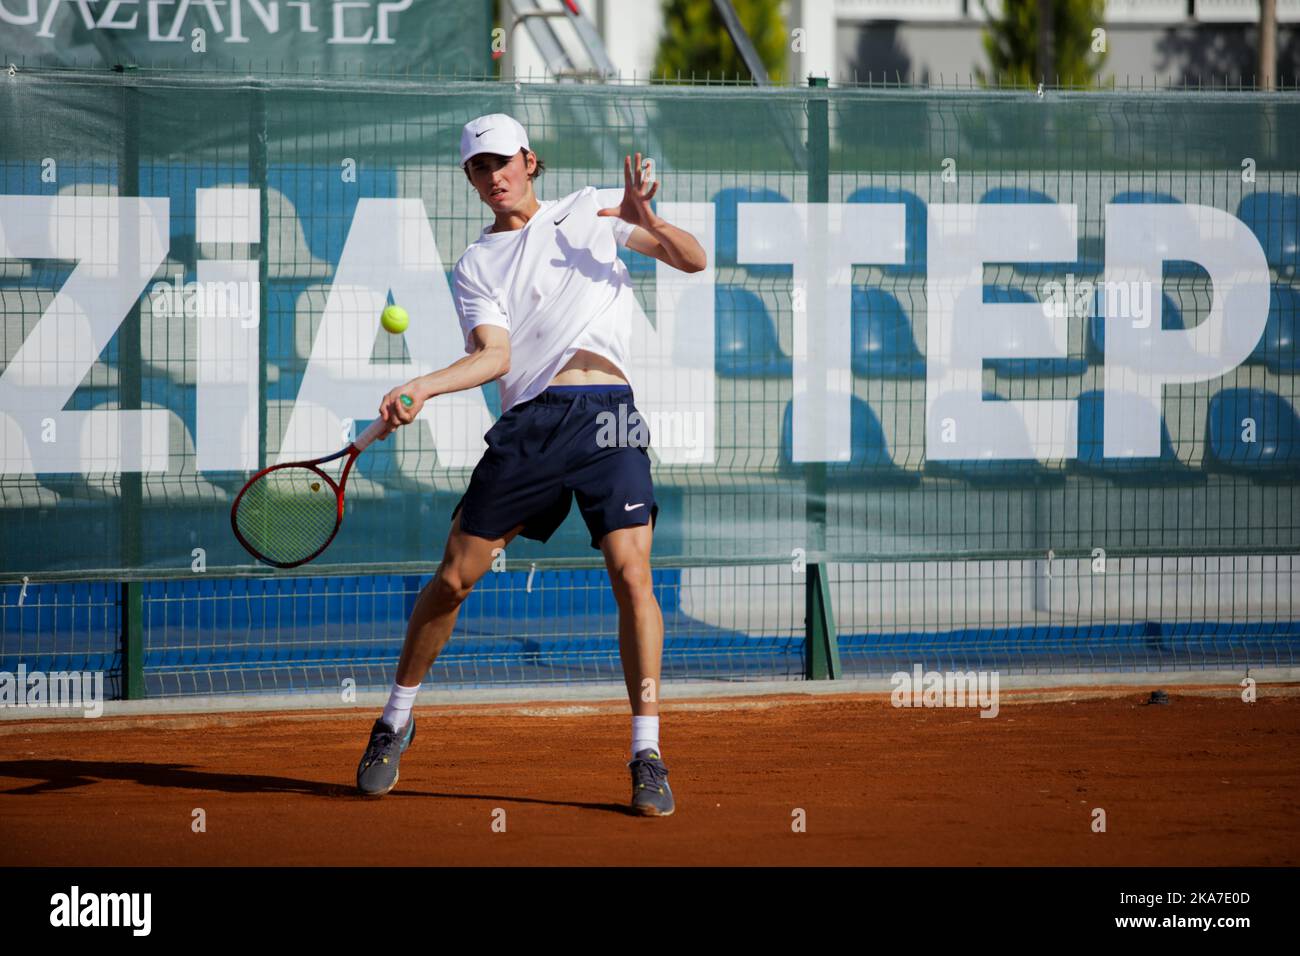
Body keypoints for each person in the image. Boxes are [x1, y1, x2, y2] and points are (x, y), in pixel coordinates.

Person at [354, 113, 707, 816]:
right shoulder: (475, 264)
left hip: (608, 413)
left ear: (529, 159)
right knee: (454, 580)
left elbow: (692, 260)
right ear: (471, 179)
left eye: (503, 162)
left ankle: (647, 751)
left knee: (633, 575)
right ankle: (393, 719)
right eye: (480, 168)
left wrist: (650, 219)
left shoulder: (590, 209)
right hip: (533, 428)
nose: (494, 177)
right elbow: (495, 357)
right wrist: (422, 385)